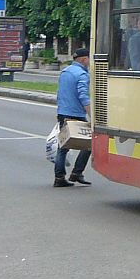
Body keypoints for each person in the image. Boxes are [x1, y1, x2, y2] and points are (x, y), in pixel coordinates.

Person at [54, 48, 92, 187]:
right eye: (89, 58)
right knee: (90, 143)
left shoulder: (65, 72)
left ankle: (59, 177)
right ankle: (77, 172)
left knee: (63, 146)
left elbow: (60, 93)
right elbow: (83, 96)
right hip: (76, 114)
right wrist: (91, 115)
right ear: (83, 59)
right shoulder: (82, 74)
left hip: (63, 112)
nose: (89, 62)